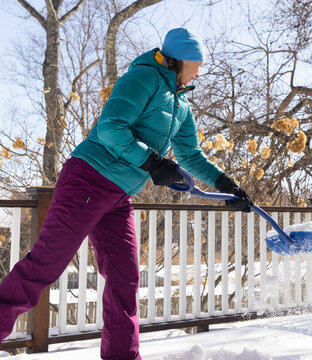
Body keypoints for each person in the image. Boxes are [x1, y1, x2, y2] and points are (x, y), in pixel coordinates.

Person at [0, 28, 252, 360]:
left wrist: (226, 184)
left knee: (125, 279)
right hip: (88, 181)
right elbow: (110, 127)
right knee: (45, 265)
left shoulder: (182, 104)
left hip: (118, 197)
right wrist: (153, 163)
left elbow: (191, 156)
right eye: (197, 63)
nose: (199, 71)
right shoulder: (143, 79)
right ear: (180, 59)